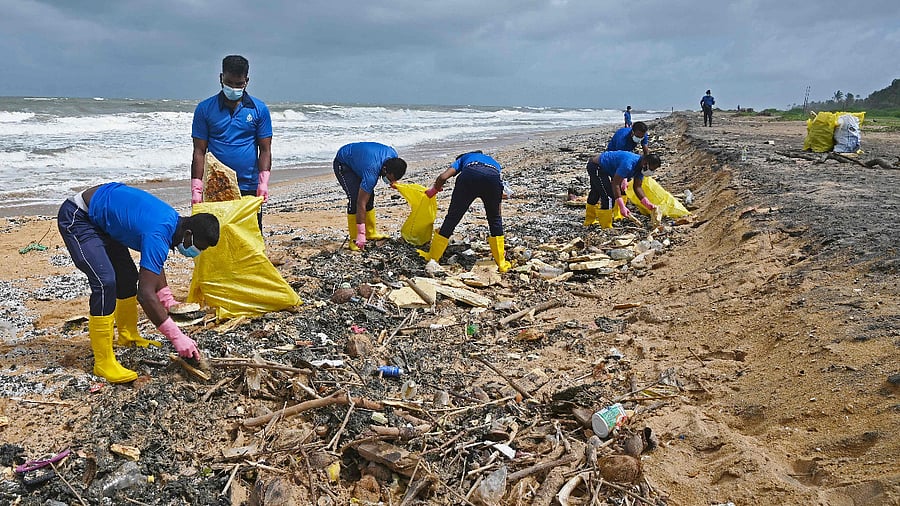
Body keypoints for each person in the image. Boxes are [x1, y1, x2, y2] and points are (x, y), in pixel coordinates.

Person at [57, 183, 220, 383]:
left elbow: (153, 262)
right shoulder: (158, 233)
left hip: (105, 221)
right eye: (199, 247)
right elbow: (145, 295)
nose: (197, 252)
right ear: (188, 235)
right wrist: (177, 337)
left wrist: (167, 299)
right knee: (105, 282)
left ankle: (128, 336)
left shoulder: (172, 222)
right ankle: (103, 362)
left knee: (126, 277)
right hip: (79, 216)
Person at [191, 55, 272, 230]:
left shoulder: (259, 109)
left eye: (239, 84)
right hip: (216, 183)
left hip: (248, 184)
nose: (233, 88)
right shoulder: (205, 109)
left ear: (246, 81)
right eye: (229, 83)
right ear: (221, 78)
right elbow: (199, 151)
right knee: (218, 236)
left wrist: (263, 182)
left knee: (250, 234)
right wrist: (197, 188)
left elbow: (265, 149)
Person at [418, 151, 512, 273]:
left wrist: (434, 190)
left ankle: (433, 257)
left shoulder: (463, 159)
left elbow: (443, 177)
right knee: (494, 219)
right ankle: (501, 263)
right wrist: (496, 213)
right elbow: (497, 187)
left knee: (452, 218)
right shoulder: (493, 162)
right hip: (492, 179)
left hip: (469, 177)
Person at [333, 142, 407, 251]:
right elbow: (360, 203)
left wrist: (392, 181)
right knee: (355, 199)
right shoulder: (371, 172)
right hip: (344, 163)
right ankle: (354, 238)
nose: (389, 181)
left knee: (370, 196)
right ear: (385, 169)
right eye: (389, 178)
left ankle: (371, 232)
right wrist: (361, 233)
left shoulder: (393, 156)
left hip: (360, 161)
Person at [583, 151, 661, 228]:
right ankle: (606, 227)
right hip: (597, 166)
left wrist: (647, 203)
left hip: (607, 169)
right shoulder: (628, 164)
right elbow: (615, 184)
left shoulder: (641, 168)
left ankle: (589, 221)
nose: (651, 172)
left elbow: (637, 187)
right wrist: (622, 206)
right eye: (651, 169)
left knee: (596, 191)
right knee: (608, 197)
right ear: (645, 163)